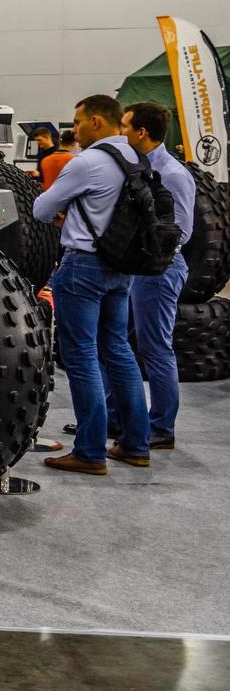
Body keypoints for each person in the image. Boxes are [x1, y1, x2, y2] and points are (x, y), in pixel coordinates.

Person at [34, 95, 151, 475]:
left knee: (81, 356)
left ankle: (89, 452)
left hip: (83, 266)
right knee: (118, 350)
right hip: (122, 267)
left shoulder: (87, 162)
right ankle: (135, 445)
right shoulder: (138, 159)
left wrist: (65, 217)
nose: (75, 130)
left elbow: (40, 209)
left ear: (97, 122)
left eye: (79, 122)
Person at [122, 101, 195, 450]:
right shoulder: (137, 167)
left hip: (160, 270)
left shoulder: (173, 175)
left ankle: (161, 428)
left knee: (155, 349)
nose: (120, 132)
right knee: (119, 343)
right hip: (137, 268)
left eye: (124, 126)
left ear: (142, 132)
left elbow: (180, 231)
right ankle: (117, 419)